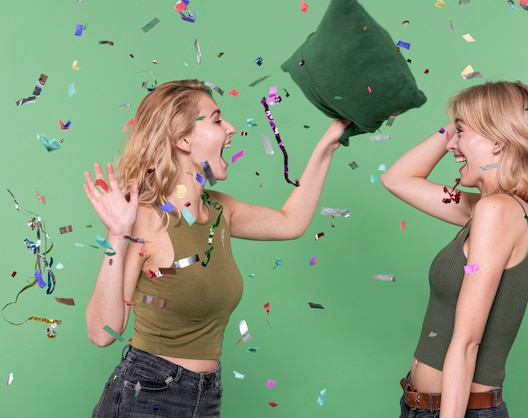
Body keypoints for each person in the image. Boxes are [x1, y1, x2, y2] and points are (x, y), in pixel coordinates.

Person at [83, 79, 349, 417]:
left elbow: (290, 221)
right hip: (147, 393)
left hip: (206, 395)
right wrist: (117, 237)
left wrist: (328, 142)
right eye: (217, 120)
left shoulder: (220, 211)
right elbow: (102, 333)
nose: (232, 129)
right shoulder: (146, 221)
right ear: (183, 139)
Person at [381, 80, 528, 418]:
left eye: (461, 132)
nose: (451, 143)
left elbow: (467, 344)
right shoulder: (494, 209)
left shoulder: (497, 213)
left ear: (498, 140)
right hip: (424, 406)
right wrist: (460, 120)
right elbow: (398, 179)